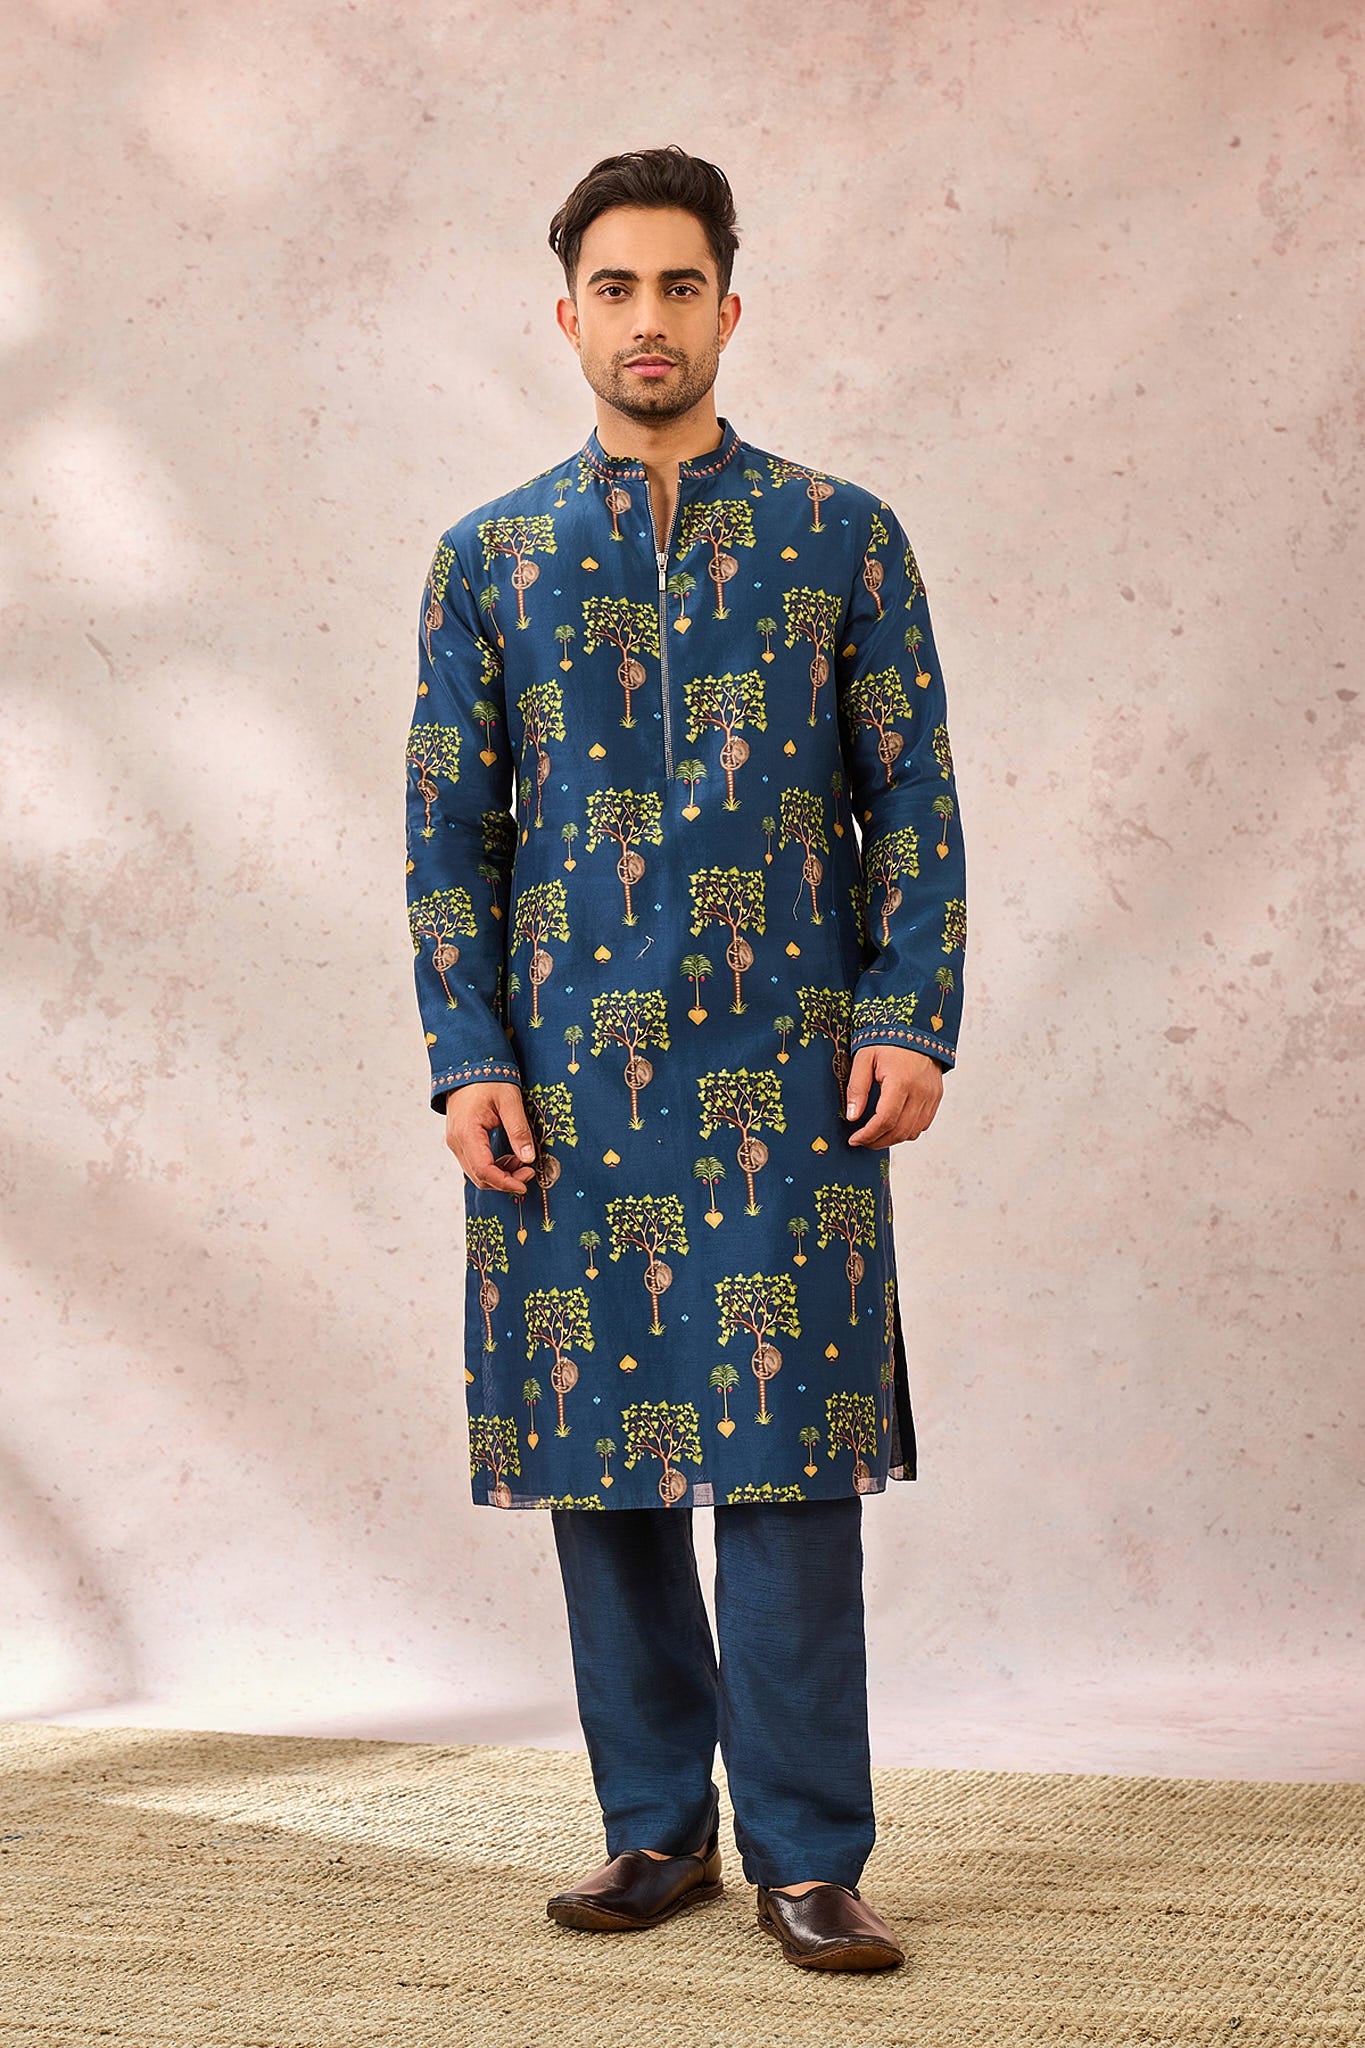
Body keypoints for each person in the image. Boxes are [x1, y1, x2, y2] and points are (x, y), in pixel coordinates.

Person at [404, 144, 967, 1971]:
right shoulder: (491, 557)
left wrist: (905, 1015)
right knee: (605, 1460)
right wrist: (467, 1055)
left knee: (790, 1464)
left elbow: (912, 798)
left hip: (791, 1067)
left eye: (678, 286)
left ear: (730, 306)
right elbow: (449, 831)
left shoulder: (841, 536)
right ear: (565, 316)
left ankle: (809, 1853)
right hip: (567, 1076)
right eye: (614, 289)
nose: (646, 320)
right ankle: (653, 1828)